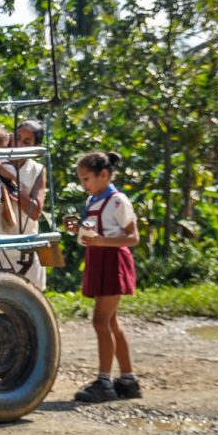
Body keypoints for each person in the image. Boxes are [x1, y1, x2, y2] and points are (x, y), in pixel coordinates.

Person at [66, 151, 142, 403]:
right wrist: (77, 229)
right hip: (98, 259)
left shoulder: (118, 201)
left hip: (113, 261)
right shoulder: (93, 200)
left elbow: (133, 238)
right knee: (110, 322)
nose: (83, 184)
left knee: (100, 321)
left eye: (86, 179)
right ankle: (128, 381)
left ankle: (104, 382)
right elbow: (94, 232)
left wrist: (101, 241)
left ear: (105, 175)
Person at [0, 119, 49, 289]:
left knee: (29, 303)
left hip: (24, 250)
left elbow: (35, 212)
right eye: (16, 138)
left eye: (26, 141)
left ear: (35, 147)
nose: (18, 144)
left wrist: (13, 182)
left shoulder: (37, 170)